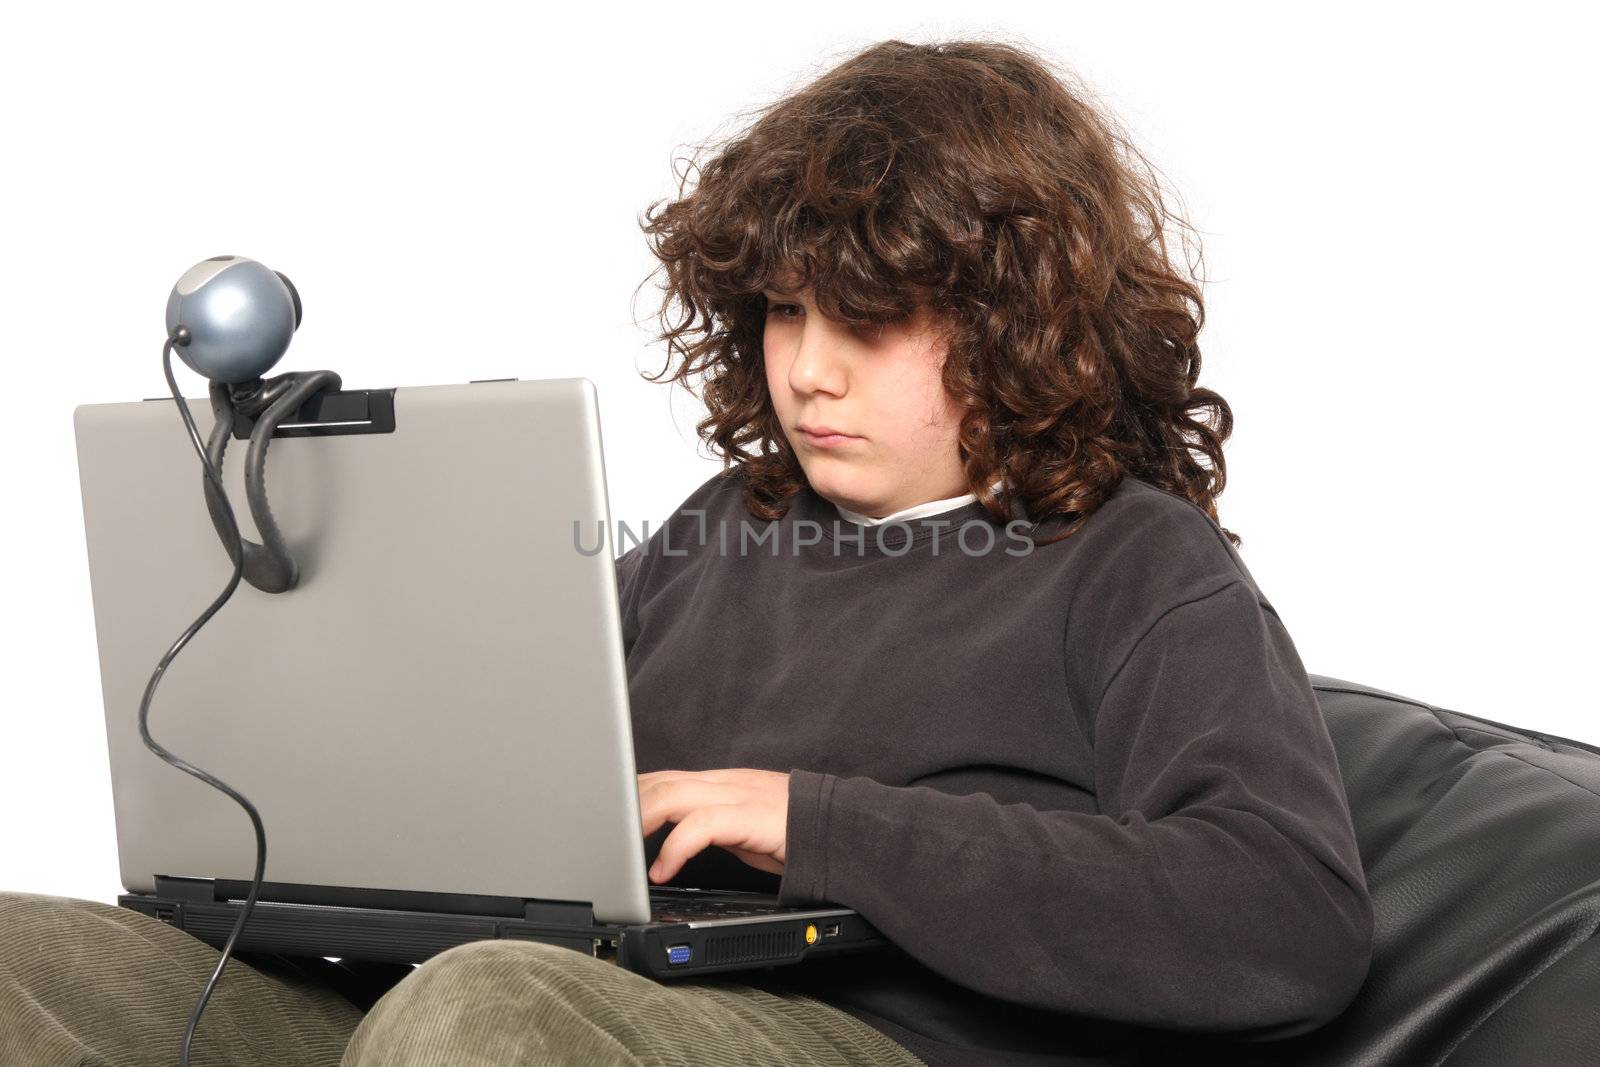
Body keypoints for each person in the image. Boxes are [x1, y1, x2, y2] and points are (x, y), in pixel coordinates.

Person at [0, 36, 1372, 1067]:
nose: (809, 374)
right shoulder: (732, 525)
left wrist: (813, 823)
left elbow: (1284, 913)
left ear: (1024, 321)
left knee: (490, 1015)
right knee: (25, 954)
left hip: (857, 1037)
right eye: (783, 314)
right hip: (553, 990)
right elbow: (532, 759)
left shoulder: (1139, 566)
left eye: (868, 320)